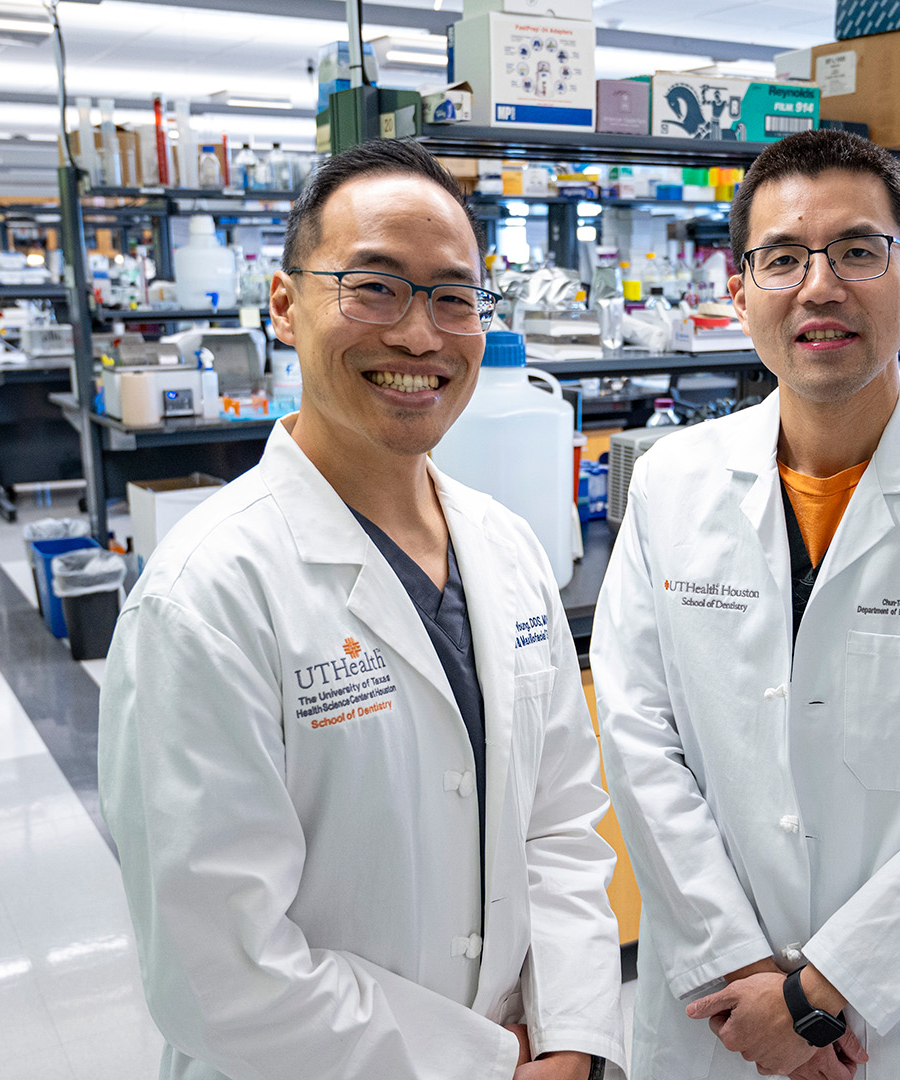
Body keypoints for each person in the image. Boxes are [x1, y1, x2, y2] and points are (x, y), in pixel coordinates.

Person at [99, 138, 624, 1080]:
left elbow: (560, 824)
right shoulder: (207, 598)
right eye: (374, 287)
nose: (420, 336)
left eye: (453, 296)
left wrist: (578, 1035)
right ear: (285, 304)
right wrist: (479, 1064)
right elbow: (215, 966)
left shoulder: (507, 549)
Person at [592, 129, 900, 1080]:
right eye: (782, 258)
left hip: (898, 1011)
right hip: (717, 1002)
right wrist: (750, 978)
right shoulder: (671, 484)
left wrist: (822, 996)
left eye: (858, 251)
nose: (818, 287)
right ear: (739, 290)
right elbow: (636, 738)